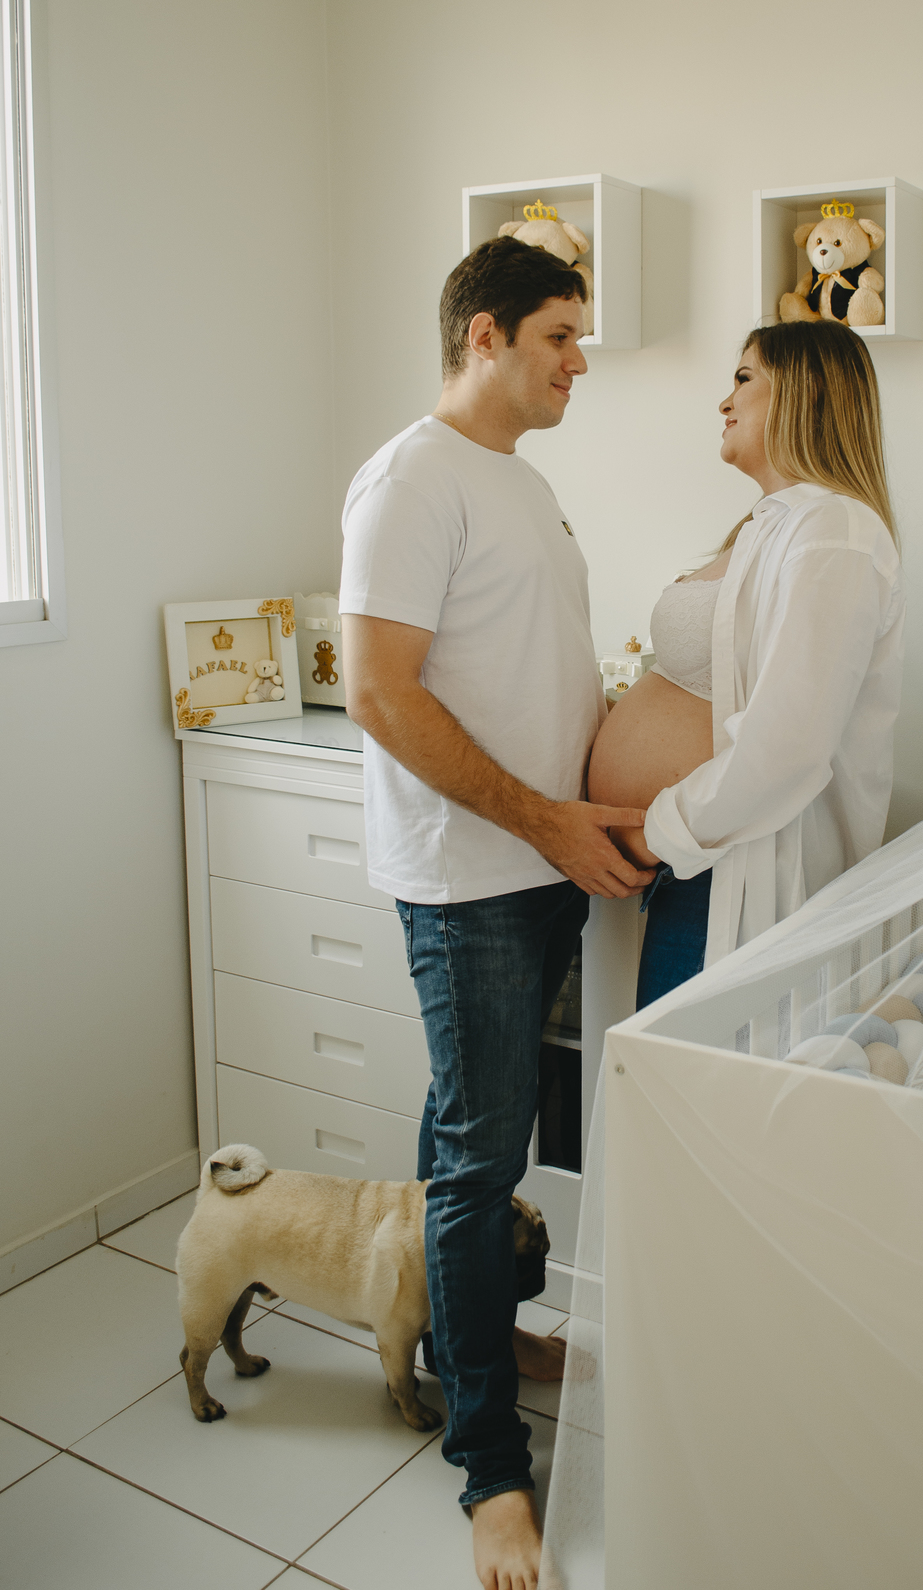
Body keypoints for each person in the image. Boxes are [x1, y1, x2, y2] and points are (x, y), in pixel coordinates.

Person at [339, 237, 653, 1590]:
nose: (580, 362)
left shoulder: (515, 482)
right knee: (480, 1157)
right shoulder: (412, 480)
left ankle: (458, 1336)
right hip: (474, 882)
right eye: (560, 338)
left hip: (541, 869)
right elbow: (381, 692)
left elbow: (530, 674)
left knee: (464, 1135)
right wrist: (546, 820)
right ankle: (488, 1469)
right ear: (483, 334)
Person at [587, 318, 905, 1006]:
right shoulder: (771, 526)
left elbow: (788, 746)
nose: (724, 402)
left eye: (743, 378)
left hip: (726, 868)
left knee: (687, 1097)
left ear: (804, 392)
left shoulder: (836, 531)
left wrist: (654, 834)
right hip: (693, 864)